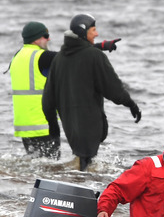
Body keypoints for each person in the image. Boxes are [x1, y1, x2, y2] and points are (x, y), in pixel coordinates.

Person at [41, 13, 142, 171]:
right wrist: (131, 104)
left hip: (71, 128)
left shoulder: (59, 59)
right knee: (86, 166)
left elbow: (47, 99)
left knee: (82, 163)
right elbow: (113, 88)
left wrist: (53, 126)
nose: (97, 33)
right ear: (83, 32)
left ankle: (76, 184)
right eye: (93, 30)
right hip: (90, 124)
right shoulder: (95, 56)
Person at [7, 21, 60, 158]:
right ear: (36, 38)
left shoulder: (17, 56)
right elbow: (72, 56)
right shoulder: (42, 56)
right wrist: (99, 47)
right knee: (51, 167)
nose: (48, 39)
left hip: (25, 127)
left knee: (35, 166)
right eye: (46, 35)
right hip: (43, 124)